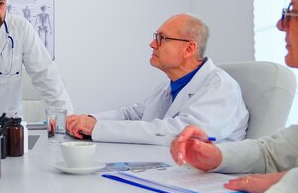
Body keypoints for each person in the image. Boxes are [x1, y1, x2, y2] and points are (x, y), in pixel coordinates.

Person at [170, 0, 298, 193]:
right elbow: (271, 152)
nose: (280, 25)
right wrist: (216, 155)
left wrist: (284, 183)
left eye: (292, 14)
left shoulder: (219, 84)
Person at [66, 13, 248, 145]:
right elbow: (131, 115)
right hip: (168, 169)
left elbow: (180, 132)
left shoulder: (221, 88)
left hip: (208, 181)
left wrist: (97, 127)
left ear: (189, 49)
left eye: (162, 38)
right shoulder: (166, 88)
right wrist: (85, 120)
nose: (152, 44)